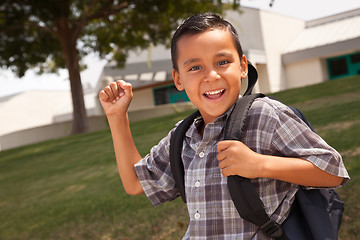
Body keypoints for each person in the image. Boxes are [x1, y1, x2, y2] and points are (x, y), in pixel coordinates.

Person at [99, 13, 349, 239]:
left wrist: (260, 164)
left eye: (222, 62)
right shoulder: (182, 136)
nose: (211, 76)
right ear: (178, 79)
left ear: (242, 66)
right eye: (195, 67)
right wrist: (117, 117)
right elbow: (135, 183)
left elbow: (333, 171)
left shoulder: (264, 116)